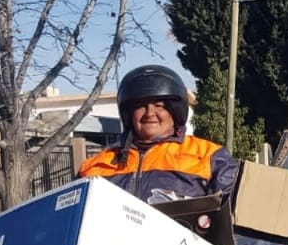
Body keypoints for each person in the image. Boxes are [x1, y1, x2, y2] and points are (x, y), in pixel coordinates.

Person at [78, 64, 239, 205]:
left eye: (159, 105)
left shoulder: (210, 157)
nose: (150, 113)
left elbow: (230, 221)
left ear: (174, 112)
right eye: (141, 106)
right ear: (129, 114)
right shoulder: (93, 167)